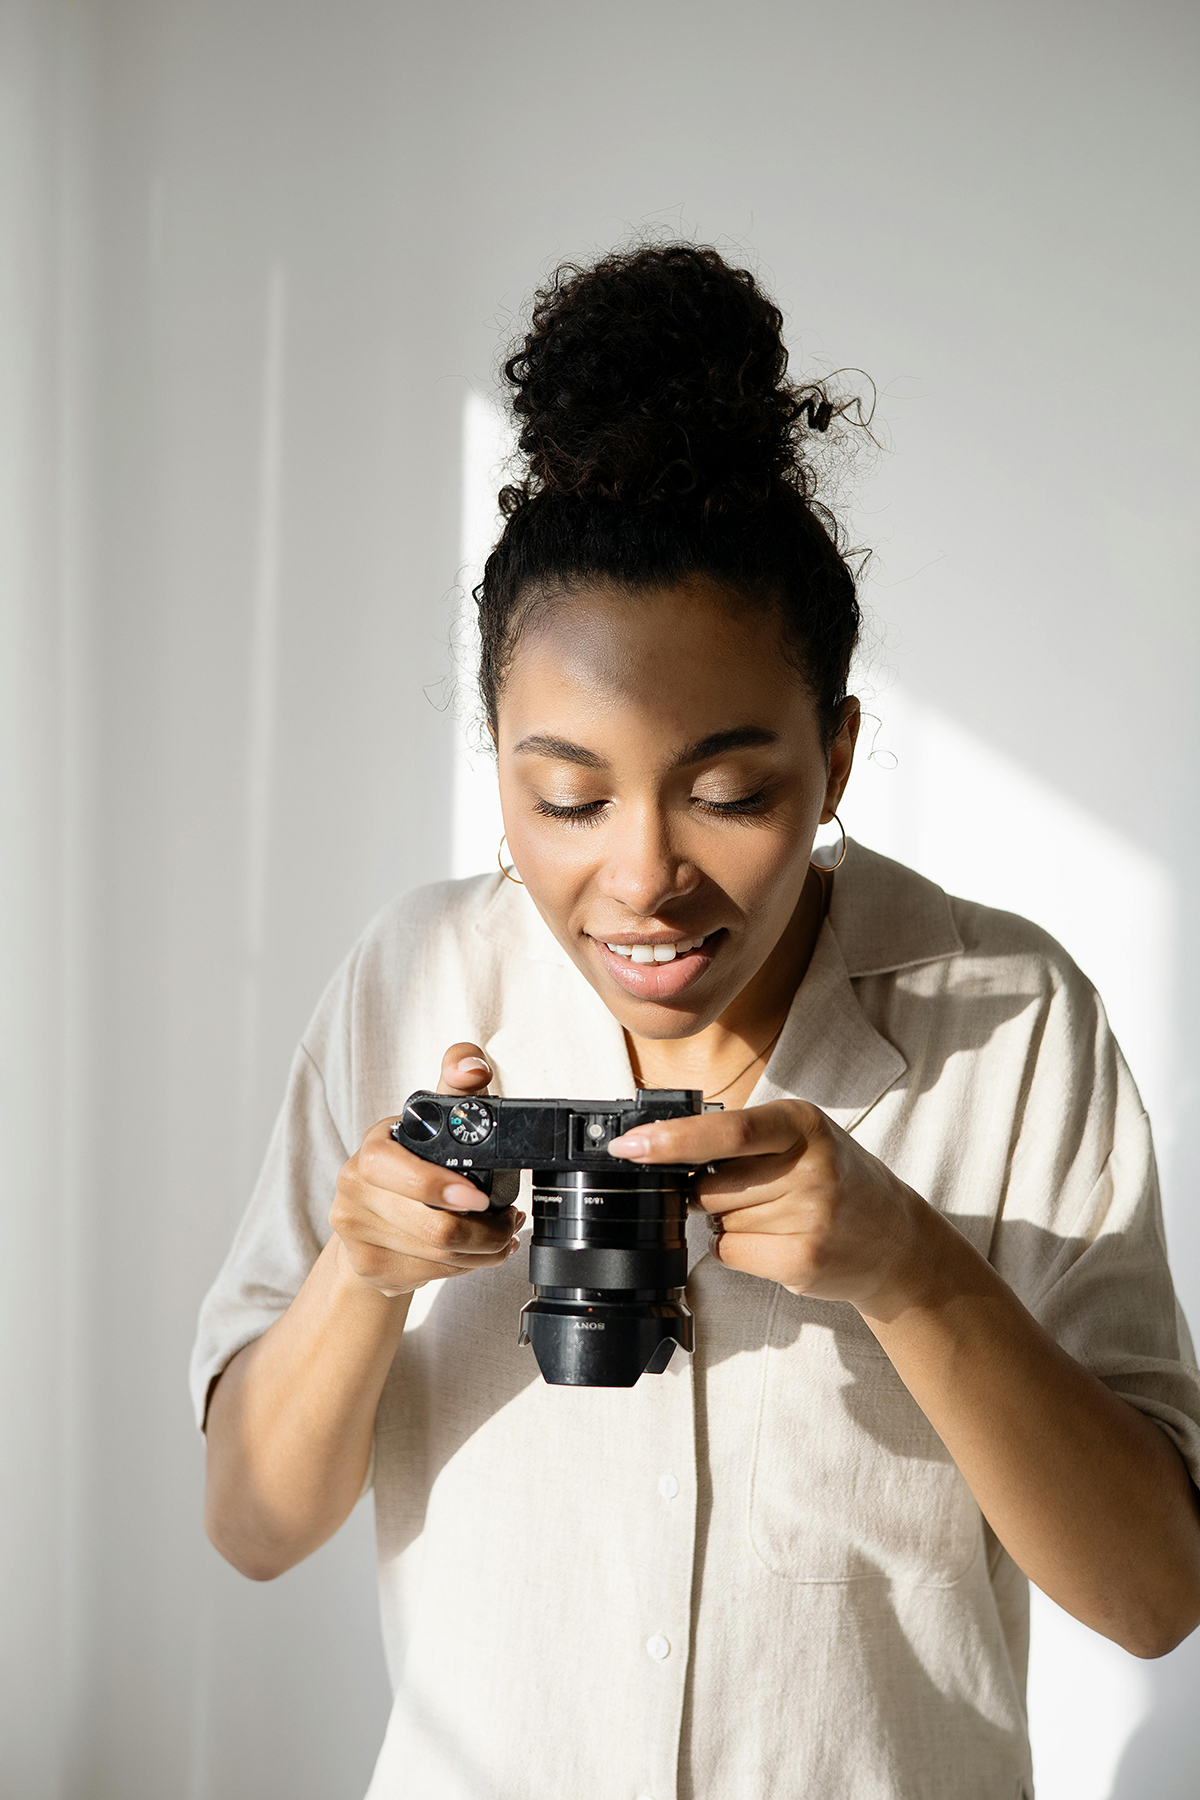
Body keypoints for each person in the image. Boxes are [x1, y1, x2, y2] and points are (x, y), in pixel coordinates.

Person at [191, 243, 1200, 1800]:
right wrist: (361, 1272)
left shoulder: (1008, 1020)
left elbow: (1150, 1598)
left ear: (840, 754)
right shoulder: (413, 981)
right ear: (498, 756)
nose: (644, 877)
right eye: (569, 794)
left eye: (732, 793)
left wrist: (912, 1269)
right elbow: (253, 1529)